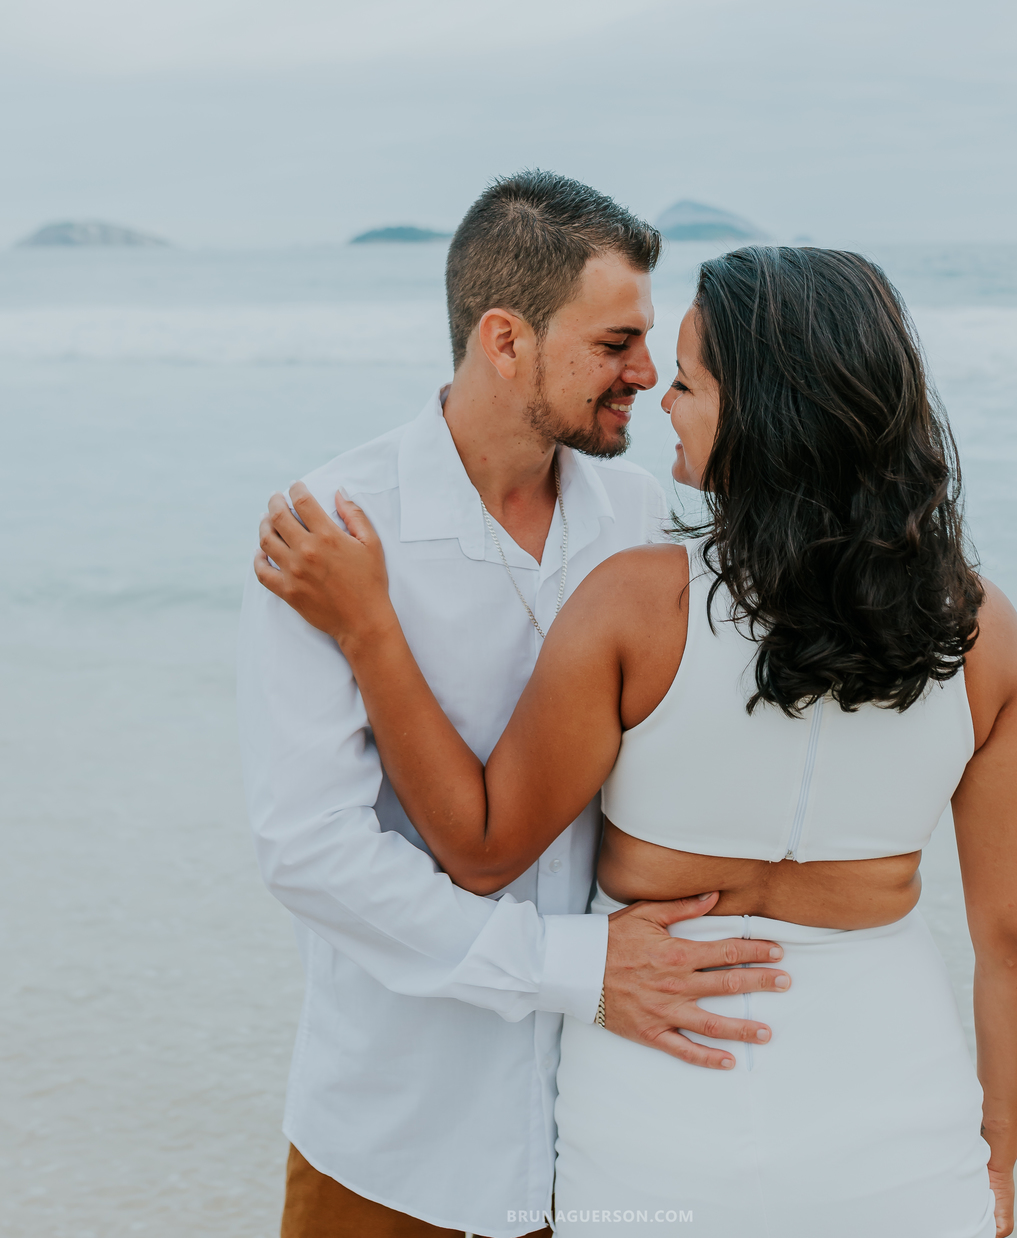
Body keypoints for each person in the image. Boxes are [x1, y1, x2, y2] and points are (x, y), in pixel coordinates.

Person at [256, 244, 1017, 1238]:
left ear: (762, 415)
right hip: (902, 1122)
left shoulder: (638, 594)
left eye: (684, 378)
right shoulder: (987, 635)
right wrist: (999, 1157)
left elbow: (480, 842)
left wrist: (372, 632)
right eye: (633, 351)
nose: (659, 398)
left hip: (660, 1117)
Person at [238, 172, 794, 1238]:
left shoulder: (650, 521)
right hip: (397, 1137)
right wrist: (575, 969)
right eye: (616, 342)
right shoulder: (335, 533)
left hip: (610, 1131)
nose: (647, 372)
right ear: (505, 339)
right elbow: (309, 848)